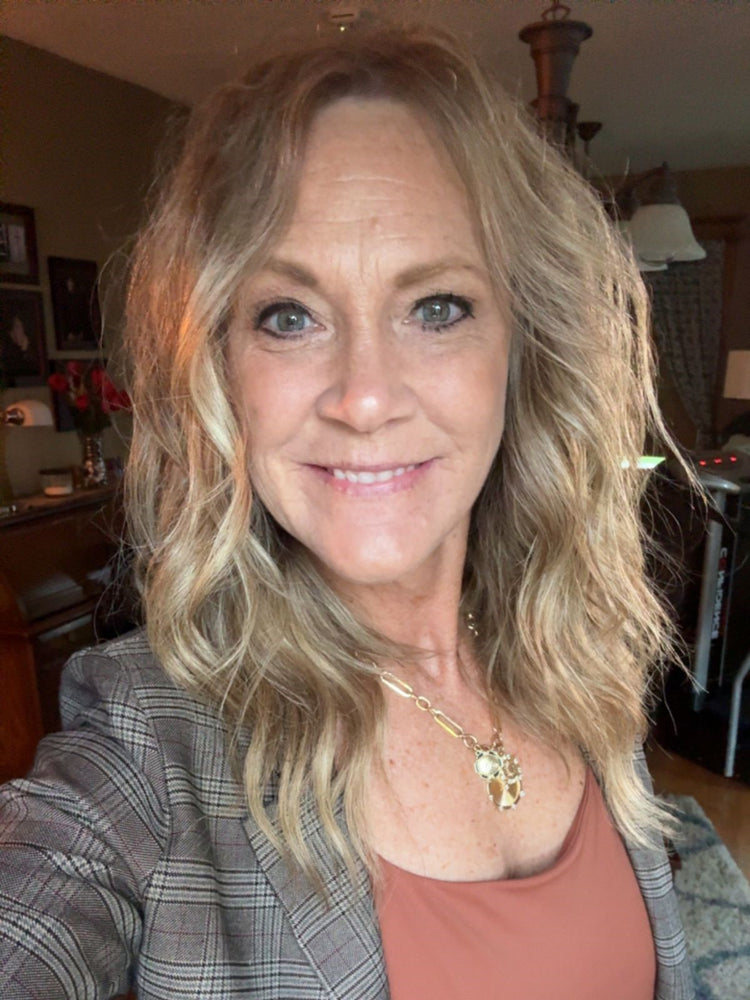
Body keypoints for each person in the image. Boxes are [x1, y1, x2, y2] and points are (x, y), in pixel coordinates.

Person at [0, 28, 694, 1000]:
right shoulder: (149, 744)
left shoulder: (572, 650)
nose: (365, 397)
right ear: (219, 372)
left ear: (521, 348)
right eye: (289, 315)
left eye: (437, 307)